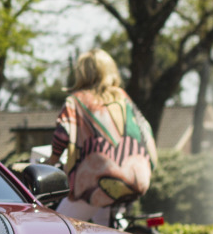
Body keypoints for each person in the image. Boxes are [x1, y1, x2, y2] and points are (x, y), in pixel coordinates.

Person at [45, 49, 157, 224]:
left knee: (57, 229)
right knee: (105, 231)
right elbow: (145, 129)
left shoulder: (76, 101)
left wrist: (51, 162)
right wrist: (151, 166)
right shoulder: (123, 97)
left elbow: (62, 134)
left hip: (95, 182)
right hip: (135, 179)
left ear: (82, 73)